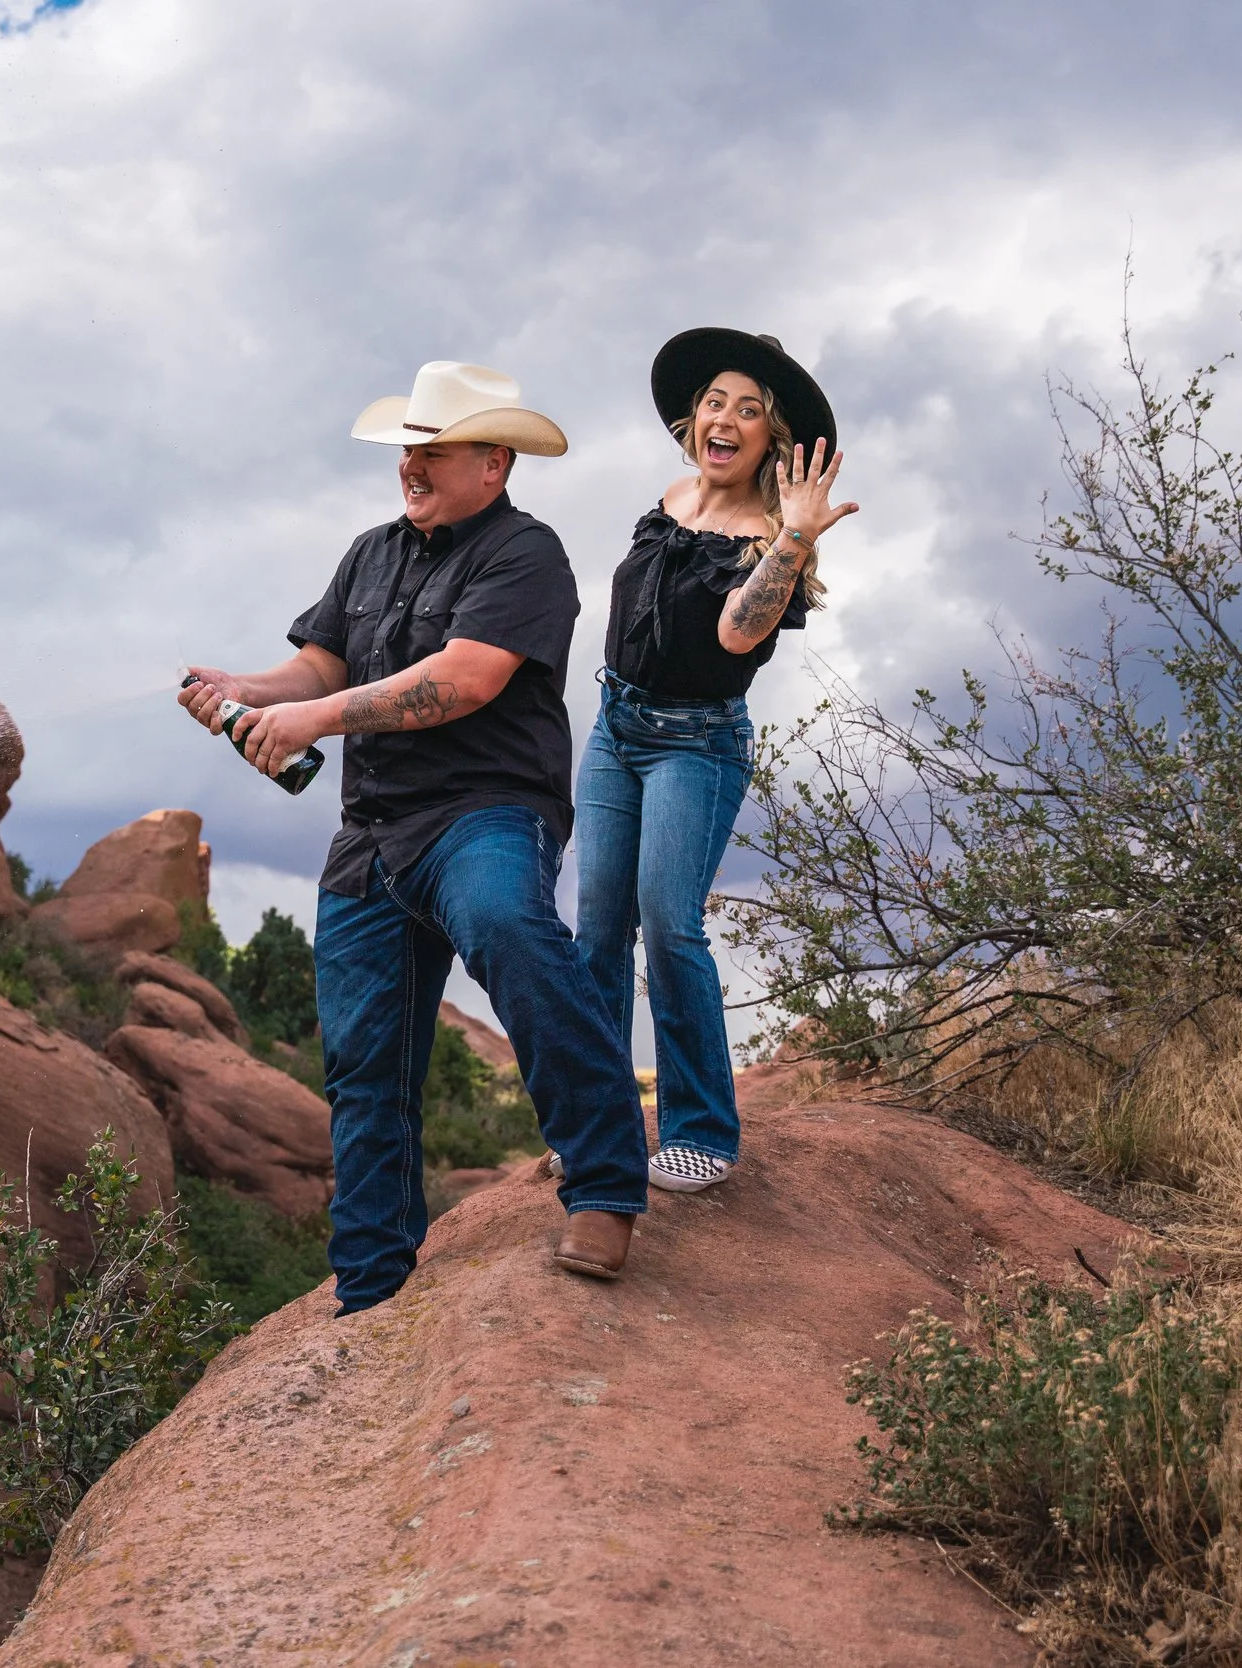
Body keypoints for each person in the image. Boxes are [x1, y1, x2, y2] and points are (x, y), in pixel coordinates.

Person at [181, 361, 649, 1313]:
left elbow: (466, 679)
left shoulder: (529, 554)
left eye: (433, 451)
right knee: (360, 1060)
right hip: (373, 837)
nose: (412, 466)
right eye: (408, 449)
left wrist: (316, 723)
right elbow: (317, 665)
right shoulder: (370, 553)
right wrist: (242, 691)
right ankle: (369, 1282)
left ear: (496, 461)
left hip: (483, 815)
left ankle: (603, 1188)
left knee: (511, 934)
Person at [573, 329, 856, 1193]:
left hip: (696, 744)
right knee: (596, 930)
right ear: (692, 419)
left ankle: (702, 1131)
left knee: (668, 923)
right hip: (614, 728)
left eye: (749, 411)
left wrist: (797, 536)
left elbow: (736, 633)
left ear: (772, 438)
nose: (725, 419)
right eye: (713, 403)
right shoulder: (668, 498)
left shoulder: (771, 534)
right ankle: (595, 1119)